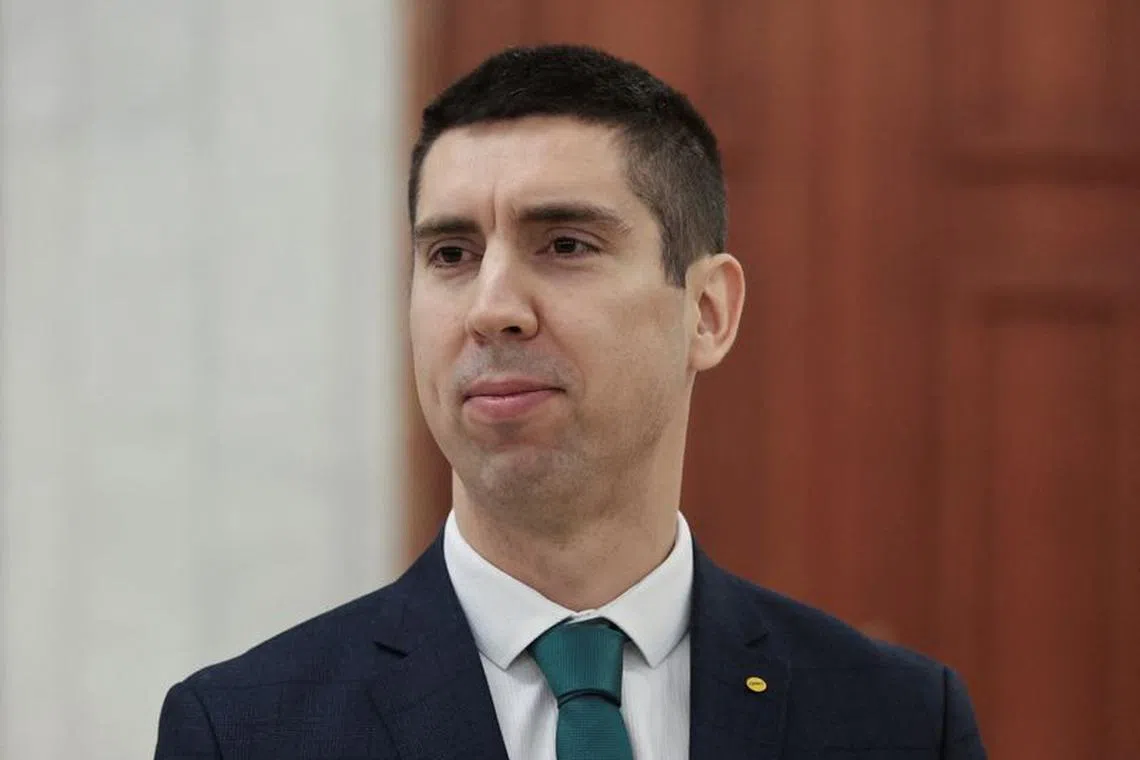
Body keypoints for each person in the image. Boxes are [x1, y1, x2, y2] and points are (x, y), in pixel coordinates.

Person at [154, 44, 986, 760]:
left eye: (564, 244)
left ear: (707, 313)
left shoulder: (898, 723)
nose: (491, 307)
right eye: (450, 253)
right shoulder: (247, 731)